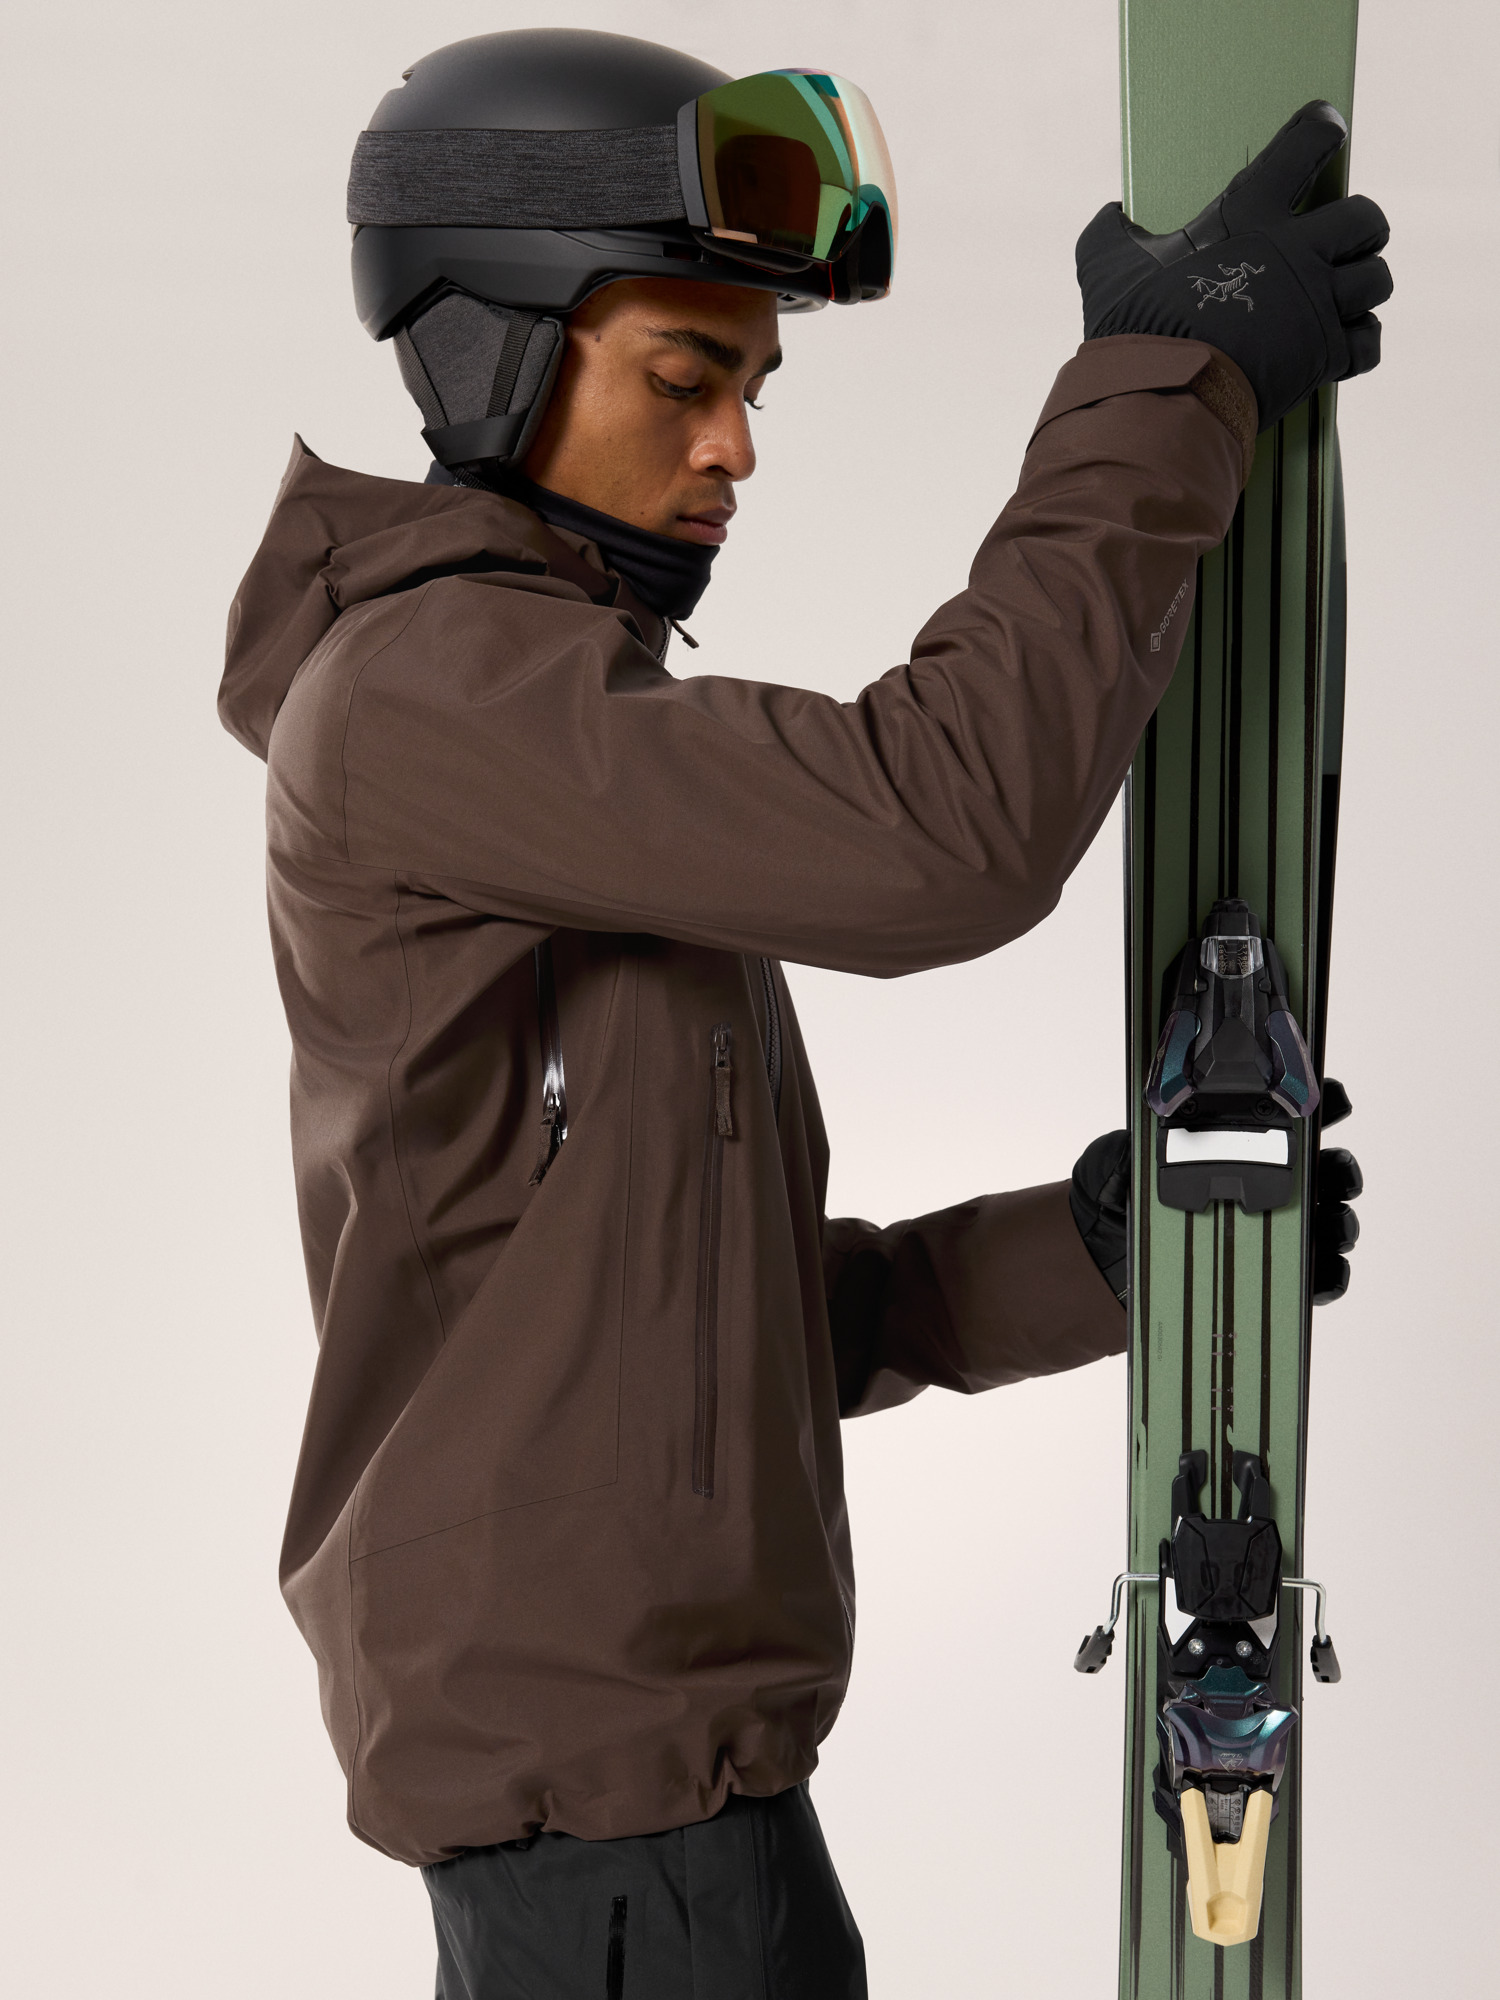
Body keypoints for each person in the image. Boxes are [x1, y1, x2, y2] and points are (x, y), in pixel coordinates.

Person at [218, 28, 1385, 1998]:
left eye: (752, 390)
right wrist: (1163, 386)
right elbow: (945, 831)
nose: (736, 448)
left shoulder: (560, 745)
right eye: (683, 379)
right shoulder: (434, 702)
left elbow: (722, 1331)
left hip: (665, 1826)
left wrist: (1092, 1252)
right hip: (622, 1845)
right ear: (493, 353)